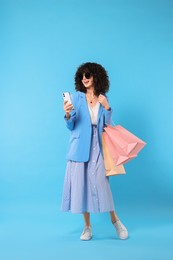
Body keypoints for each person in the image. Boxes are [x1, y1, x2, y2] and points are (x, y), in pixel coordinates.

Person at [61, 62, 128, 241]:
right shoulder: (76, 98)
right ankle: (87, 226)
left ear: (96, 76)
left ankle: (116, 221)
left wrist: (107, 107)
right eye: (82, 75)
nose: (84, 78)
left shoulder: (102, 98)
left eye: (88, 75)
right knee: (81, 185)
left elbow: (106, 124)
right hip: (79, 146)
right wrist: (67, 115)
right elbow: (71, 125)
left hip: (97, 144)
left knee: (102, 184)